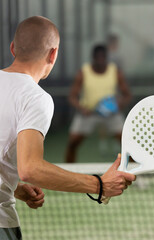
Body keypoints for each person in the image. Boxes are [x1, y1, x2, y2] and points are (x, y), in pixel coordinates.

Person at [0, 16, 136, 240]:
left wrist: (12, 186)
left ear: (13, 48)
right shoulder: (35, 98)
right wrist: (100, 185)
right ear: (53, 54)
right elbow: (30, 169)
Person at [65, 44, 132, 163]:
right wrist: (82, 108)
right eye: (98, 57)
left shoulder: (115, 71)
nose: (101, 60)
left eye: (103, 57)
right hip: (88, 113)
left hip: (111, 114)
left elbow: (127, 95)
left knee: (127, 144)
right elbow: (72, 97)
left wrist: (119, 105)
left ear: (107, 58)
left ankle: (136, 174)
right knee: (72, 143)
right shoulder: (83, 72)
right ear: (93, 58)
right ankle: (68, 172)